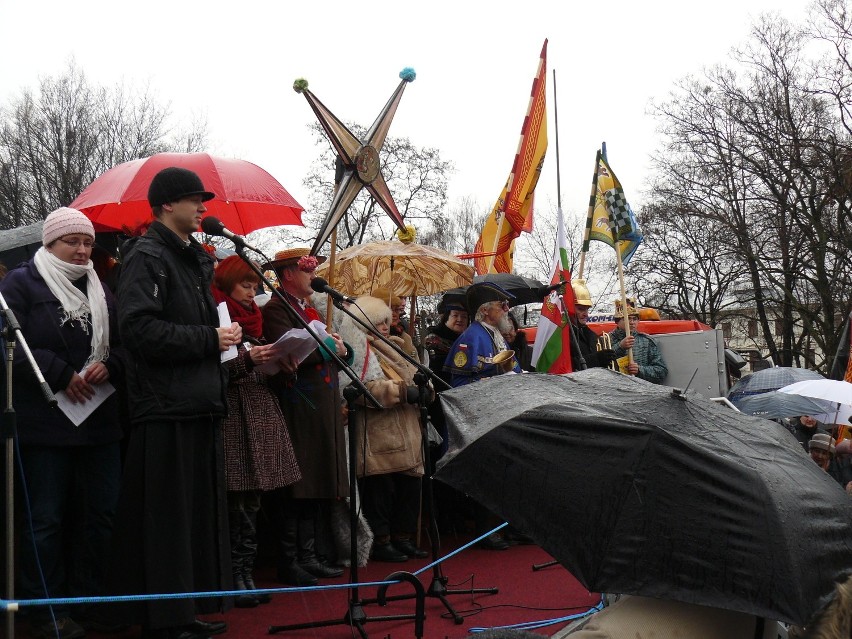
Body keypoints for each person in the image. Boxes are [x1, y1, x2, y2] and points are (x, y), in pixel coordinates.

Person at [108, 166, 238, 639]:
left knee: (190, 518)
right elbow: (138, 331)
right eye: (194, 199)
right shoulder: (147, 257)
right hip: (164, 406)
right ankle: (164, 620)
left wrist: (221, 339)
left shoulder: (191, 259)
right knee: (166, 519)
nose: (204, 207)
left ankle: (184, 611)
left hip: (197, 400)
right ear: (167, 205)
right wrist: (210, 338)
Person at [1, 207, 126, 639]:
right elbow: (9, 345)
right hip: (47, 424)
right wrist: (59, 374)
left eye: (88, 242)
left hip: (99, 422)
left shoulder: (102, 288)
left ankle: (89, 599)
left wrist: (110, 365)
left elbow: (125, 344)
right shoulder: (21, 283)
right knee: (46, 519)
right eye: (72, 241)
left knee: (101, 514)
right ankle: (45, 607)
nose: (81, 249)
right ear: (50, 243)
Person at [210, 256, 302, 608]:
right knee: (238, 501)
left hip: (260, 411)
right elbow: (216, 370)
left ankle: (246, 572)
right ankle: (236, 575)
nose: (252, 292)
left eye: (255, 286)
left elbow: (260, 364)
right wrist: (252, 359)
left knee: (254, 500)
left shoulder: (255, 320)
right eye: (245, 285)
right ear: (228, 284)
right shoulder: (218, 317)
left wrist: (285, 366)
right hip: (234, 417)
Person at [262, 248, 351, 585]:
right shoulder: (277, 308)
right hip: (299, 404)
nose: (314, 276)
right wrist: (330, 347)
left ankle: (310, 554)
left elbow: (327, 349)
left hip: (320, 406)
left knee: (317, 483)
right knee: (300, 484)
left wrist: (342, 348)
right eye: (307, 270)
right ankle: (291, 559)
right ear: (288, 274)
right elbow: (290, 349)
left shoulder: (307, 308)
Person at [337, 294, 428, 562]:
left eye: (387, 320)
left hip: (406, 428)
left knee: (408, 488)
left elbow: (414, 374)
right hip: (377, 431)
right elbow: (358, 387)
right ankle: (382, 539)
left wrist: (425, 389)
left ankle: (403, 536)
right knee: (381, 489)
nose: (385, 326)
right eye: (378, 321)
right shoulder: (358, 350)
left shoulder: (397, 346)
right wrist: (404, 392)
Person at [444, 282, 521, 387]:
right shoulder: (470, 338)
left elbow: (514, 367)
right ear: (485, 310)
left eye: (506, 304)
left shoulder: (496, 334)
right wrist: (493, 382)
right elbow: (458, 384)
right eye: (501, 304)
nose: (507, 309)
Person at [609, 298, 668, 383]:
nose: (632, 322)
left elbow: (661, 371)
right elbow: (600, 368)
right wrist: (620, 347)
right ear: (617, 321)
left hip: (642, 392)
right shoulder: (605, 340)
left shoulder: (647, 342)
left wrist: (640, 370)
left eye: (634, 319)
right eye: (627, 318)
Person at [570, 279, 615, 369]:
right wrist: (596, 359)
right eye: (581, 309)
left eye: (587, 309)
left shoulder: (592, 335)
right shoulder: (562, 336)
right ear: (570, 309)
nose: (586, 314)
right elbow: (566, 366)